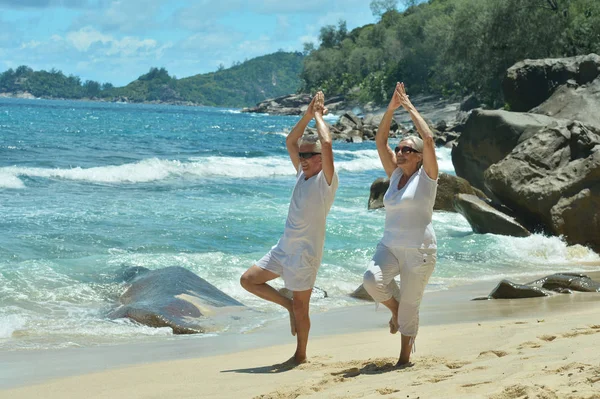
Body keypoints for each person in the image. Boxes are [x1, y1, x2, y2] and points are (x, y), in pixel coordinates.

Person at [240, 91, 338, 365]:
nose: (303, 157)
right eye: (302, 155)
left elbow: (327, 143)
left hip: (305, 253)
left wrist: (319, 116)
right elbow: (290, 141)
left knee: (303, 307)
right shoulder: (302, 174)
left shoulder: (326, 182)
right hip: (284, 248)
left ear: (320, 159)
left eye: (309, 155)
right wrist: (308, 114)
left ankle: (300, 355)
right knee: (248, 280)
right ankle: (287, 306)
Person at [362, 82, 439, 367]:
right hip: (390, 245)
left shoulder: (427, 177)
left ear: (419, 156)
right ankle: (395, 311)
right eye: (400, 148)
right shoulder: (394, 175)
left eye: (408, 149)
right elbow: (380, 142)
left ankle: (403, 359)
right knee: (372, 280)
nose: (401, 152)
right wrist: (391, 108)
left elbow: (428, 139)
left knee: (411, 305)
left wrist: (408, 106)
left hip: (419, 249)